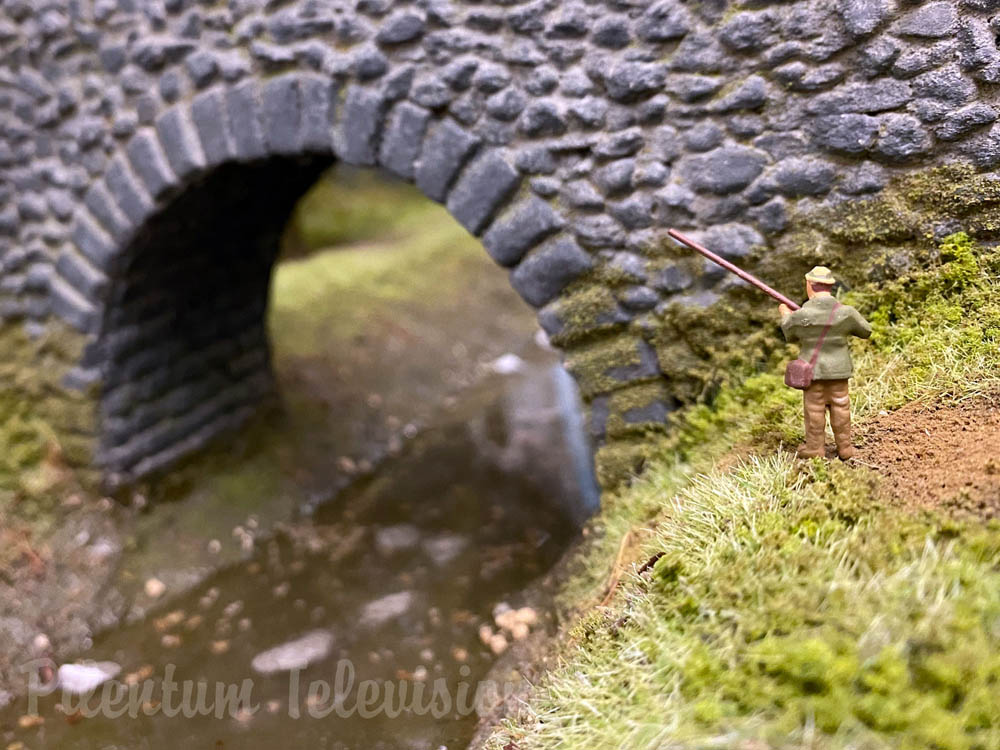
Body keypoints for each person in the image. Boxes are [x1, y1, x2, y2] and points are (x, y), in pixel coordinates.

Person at [779, 267, 871, 460]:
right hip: (839, 370)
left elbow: (789, 332)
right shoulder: (846, 312)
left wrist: (785, 313)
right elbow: (866, 331)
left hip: (813, 372)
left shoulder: (802, 314)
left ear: (810, 286)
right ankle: (845, 447)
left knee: (814, 409)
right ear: (830, 287)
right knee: (841, 406)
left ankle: (815, 448)